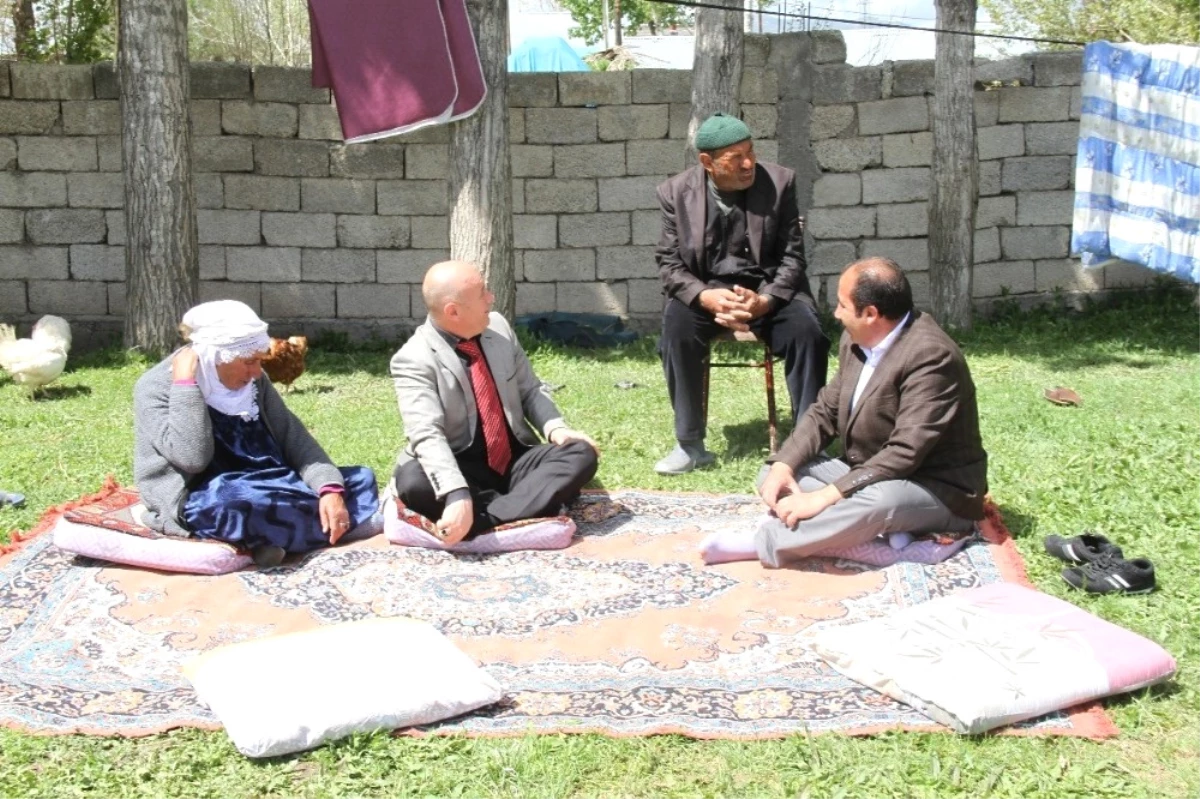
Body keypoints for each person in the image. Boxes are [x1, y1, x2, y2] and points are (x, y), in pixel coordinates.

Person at [700, 257, 989, 568]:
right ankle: (873, 533)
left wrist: (823, 497)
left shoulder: (932, 357)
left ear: (870, 314)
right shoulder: (856, 338)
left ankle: (767, 541)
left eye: (842, 305)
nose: (836, 314)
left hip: (933, 488)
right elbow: (825, 411)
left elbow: (905, 453)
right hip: (868, 472)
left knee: (879, 503)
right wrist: (784, 464)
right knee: (775, 474)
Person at [133, 300, 380, 567]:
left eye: (258, 361)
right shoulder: (155, 388)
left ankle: (264, 540)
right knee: (238, 503)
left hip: (266, 480)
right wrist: (185, 386)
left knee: (358, 479)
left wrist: (329, 490)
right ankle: (322, 526)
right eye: (249, 362)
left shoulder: (254, 381)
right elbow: (193, 458)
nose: (256, 372)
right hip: (203, 493)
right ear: (216, 356)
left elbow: (292, 436)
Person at [654, 112, 830, 475]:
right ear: (707, 162)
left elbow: (793, 257)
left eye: (750, 152)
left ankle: (808, 445)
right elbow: (670, 264)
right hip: (709, 291)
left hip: (769, 290)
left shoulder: (781, 183)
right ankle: (689, 445)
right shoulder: (674, 193)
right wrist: (704, 297)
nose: (748, 163)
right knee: (676, 327)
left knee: (808, 333)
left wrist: (765, 301)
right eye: (735, 158)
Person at [390, 260, 600, 546]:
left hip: (515, 460)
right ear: (453, 311)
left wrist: (556, 430)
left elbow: (530, 390)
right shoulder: (413, 358)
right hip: (460, 465)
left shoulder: (498, 327)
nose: (491, 297)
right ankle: (522, 509)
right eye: (482, 293)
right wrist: (456, 493)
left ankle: (483, 521)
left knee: (581, 453)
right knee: (413, 482)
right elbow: (426, 433)